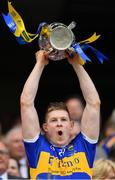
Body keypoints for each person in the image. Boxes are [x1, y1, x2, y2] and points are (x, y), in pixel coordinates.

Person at [20, 50, 101, 179]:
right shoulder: (37, 147)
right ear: (45, 127)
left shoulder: (84, 147)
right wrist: (40, 64)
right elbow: (26, 103)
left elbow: (94, 103)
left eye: (63, 119)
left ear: (71, 125)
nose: (59, 123)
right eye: (53, 120)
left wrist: (77, 64)